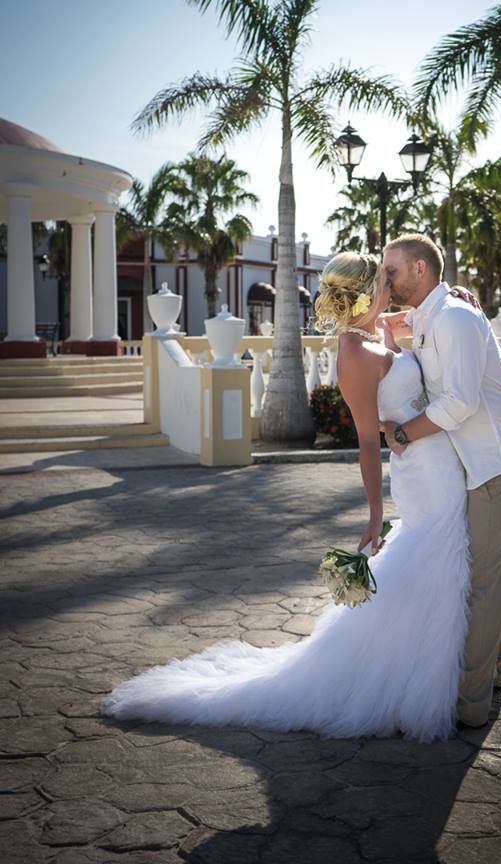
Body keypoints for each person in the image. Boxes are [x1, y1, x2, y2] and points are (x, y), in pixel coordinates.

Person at [102, 251, 472, 742]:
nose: (391, 286)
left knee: (431, 566)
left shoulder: (376, 328)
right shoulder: (353, 354)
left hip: (436, 462)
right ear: (365, 295)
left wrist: (453, 300)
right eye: (384, 281)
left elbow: (422, 323)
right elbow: (366, 441)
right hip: (421, 474)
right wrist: (374, 514)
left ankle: (415, 668)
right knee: (434, 562)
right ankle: (410, 682)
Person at [379, 234, 501, 728]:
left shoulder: (452, 317)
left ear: (421, 269)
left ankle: (469, 703)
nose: (387, 280)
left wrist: (402, 433)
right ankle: (494, 677)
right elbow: (385, 321)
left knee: (486, 583)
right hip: (481, 463)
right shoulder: (434, 314)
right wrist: (383, 311)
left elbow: (460, 403)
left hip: (494, 462)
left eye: (392, 271)